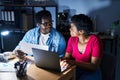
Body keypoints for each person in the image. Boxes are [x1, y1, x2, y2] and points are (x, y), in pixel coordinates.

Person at [61, 14, 103, 80]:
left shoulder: (95, 40)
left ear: (81, 31)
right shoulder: (72, 39)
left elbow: (94, 66)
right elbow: (67, 57)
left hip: (91, 72)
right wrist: (62, 59)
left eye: (72, 27)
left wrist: (73, 62)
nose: (70, 29)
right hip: (75, 69)